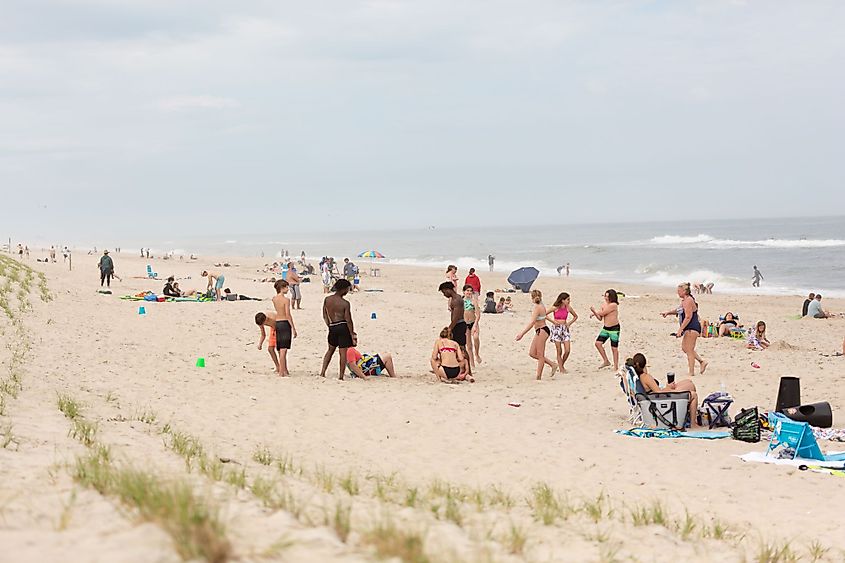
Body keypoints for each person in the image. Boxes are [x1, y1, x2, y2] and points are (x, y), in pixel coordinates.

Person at [626, 353, 699, 428]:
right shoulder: (646, 377)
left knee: (688, 382)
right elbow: (659, 393)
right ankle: (693, 423)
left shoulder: (638, 377)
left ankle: (686, 413)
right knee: (693, 394)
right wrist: (668, 387)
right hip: (661, 399)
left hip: (654, 396)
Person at [662, 283, 708, 377]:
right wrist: (668, 313)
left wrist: (680, 330)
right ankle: (701, 361)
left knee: (689, 350)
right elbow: (679, 310)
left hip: (692, 327)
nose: (677, 292)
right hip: (689, 327)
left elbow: (688, 317)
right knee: (685, 348)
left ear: (684, 291)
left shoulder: (688, 300)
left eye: (679, 291)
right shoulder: (685, 300)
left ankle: (691, 372)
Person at [515, 289, 557, 380]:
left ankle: (538, 376)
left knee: (540, 355)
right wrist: (553, 321)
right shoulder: (541, 305)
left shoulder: (538, 307)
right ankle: (552, 364)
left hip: (542, 330)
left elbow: (532, 323)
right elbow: (545, 316)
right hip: (540, 330)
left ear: (532, 298)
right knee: (532, 353)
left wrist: (522, 334)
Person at [320, 279, 356, 379]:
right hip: (343, 326)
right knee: (342, 353)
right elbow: (348, 320)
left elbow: (324, 315)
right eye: (347, 289)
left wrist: (329, 325)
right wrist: (352, 333)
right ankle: (340, 376)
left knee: (330, 350)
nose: (348, 291)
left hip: (332, 326)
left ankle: (322, 372)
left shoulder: (327, 299)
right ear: (343, 289)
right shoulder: (345, 303)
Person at [438, 281, 472, 379]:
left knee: (461, 348)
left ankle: (468, 371)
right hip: (458, 325)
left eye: (444, 292)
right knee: (454, 348)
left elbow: (456, 317)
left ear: (448, 290)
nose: (444, 295)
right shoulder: (455, 299)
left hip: (459, 325)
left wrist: (449, 329)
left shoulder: (456, 300)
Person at [547, 292, 578, 374]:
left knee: (567, 350)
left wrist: (569, 323)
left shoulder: (568, 308)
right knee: (559, 350)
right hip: (556, 329)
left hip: (565, 329)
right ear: (563, 300)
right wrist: (553, 321)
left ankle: (561, 365)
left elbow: (576, 316)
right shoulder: (555, 307)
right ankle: (561, 368)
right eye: (568, 299)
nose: (569, 301)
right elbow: (544, 314)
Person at [271, 279, 297, 376]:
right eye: (286, 287)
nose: (288, 289)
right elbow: (287, 314)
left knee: (280, 348)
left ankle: (284, 370)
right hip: (285, 323)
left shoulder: (274, 299)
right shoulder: (286, 300)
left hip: (278, 322)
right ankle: (282, 371)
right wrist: (293, 328)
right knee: (284, 350)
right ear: (282, 288)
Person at [591, 289, 620, 370]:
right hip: (606, 328)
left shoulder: (613, 305)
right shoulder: (603, 305)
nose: (606, 298)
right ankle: (606, 361)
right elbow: (600, 318)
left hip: (614, 328)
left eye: (608, 296)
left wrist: (594, 312)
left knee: (614, 348)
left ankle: (616, 366)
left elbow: (603, 313)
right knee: (598, 343)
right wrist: (595, 313)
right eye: (605, 296)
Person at [462, 285, 482, 366]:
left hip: (473, 322)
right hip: (465, 324)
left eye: (470, 291)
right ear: (464, 292)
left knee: (476, 337)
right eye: (467, 290)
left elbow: (478, 314)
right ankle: (472, 363)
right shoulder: (461, 301)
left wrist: (475, 324)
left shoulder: (474, 301)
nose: (469, 292)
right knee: (469, 345)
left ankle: (477, 354)